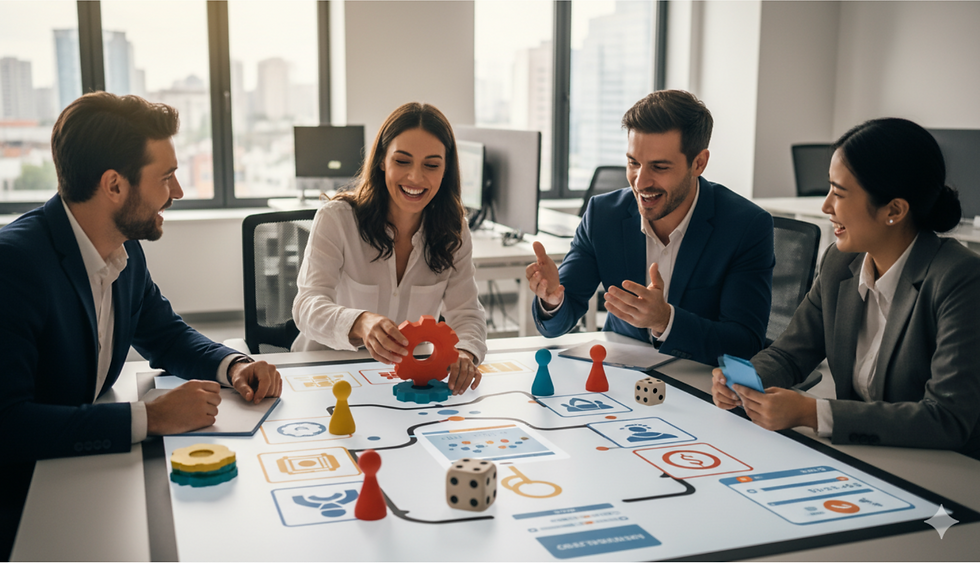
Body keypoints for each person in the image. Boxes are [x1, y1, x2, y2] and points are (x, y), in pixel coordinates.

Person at [0, 92, 282, 559]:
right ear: (114, 185)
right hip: (26, 506)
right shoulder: (14, 265)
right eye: (167, 176)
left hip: (84, 475)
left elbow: (165, 334)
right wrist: (149, 418)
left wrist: (233, 366)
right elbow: (8, 425)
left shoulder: (124, 251)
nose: (179, 192)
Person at [712, 118, 980, 458]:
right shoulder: (839, 265)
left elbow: (947, 418)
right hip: (867, 456)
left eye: (838, 193)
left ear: (893, 210)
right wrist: (746, 379)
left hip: (947, 471)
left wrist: (811, 412)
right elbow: (789, 354)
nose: (825, 207)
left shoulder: (960, 278)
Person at [527, 90, 774, 366]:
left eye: (659, 167)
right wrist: (551, 300)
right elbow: (557, 323)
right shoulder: (603, 215)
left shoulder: (745, 226)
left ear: (699, 163)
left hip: (702, 382)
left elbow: (745, 343)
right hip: (620, 378)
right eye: (633, 163)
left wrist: (665, 320)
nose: (640, 182)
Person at [292, 102, 487, 394]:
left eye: (431, 165)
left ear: (445, 170)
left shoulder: (453, 229)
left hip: (408, 378)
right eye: (402, 161)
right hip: (327, 375)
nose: (416, 178)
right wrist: (360, 322)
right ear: (382, 160)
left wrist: (466, 353)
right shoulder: (337, 219)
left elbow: (467, 313)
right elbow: (306, 307)